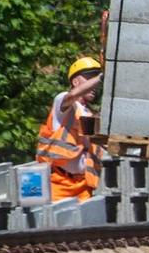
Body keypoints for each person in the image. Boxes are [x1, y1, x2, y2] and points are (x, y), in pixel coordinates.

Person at [37, 56, 104, 201]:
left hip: (82, 184)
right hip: (59, 183)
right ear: (75, 82)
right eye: (89, 78)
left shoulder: (91, 114)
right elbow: (72, 95)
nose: (94, 84)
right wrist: (100, 78)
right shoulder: (63, 101)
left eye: (95, 78)